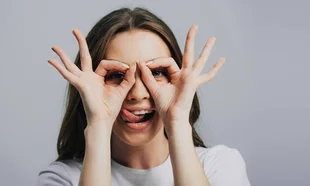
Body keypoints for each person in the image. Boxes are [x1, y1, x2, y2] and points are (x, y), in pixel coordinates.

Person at [37, 7, 250, 186]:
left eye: (156, 72)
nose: (138, 94)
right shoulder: (62, 178)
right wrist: (99, 124)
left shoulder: (221, 166)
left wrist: (177, 122)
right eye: (117, 75)